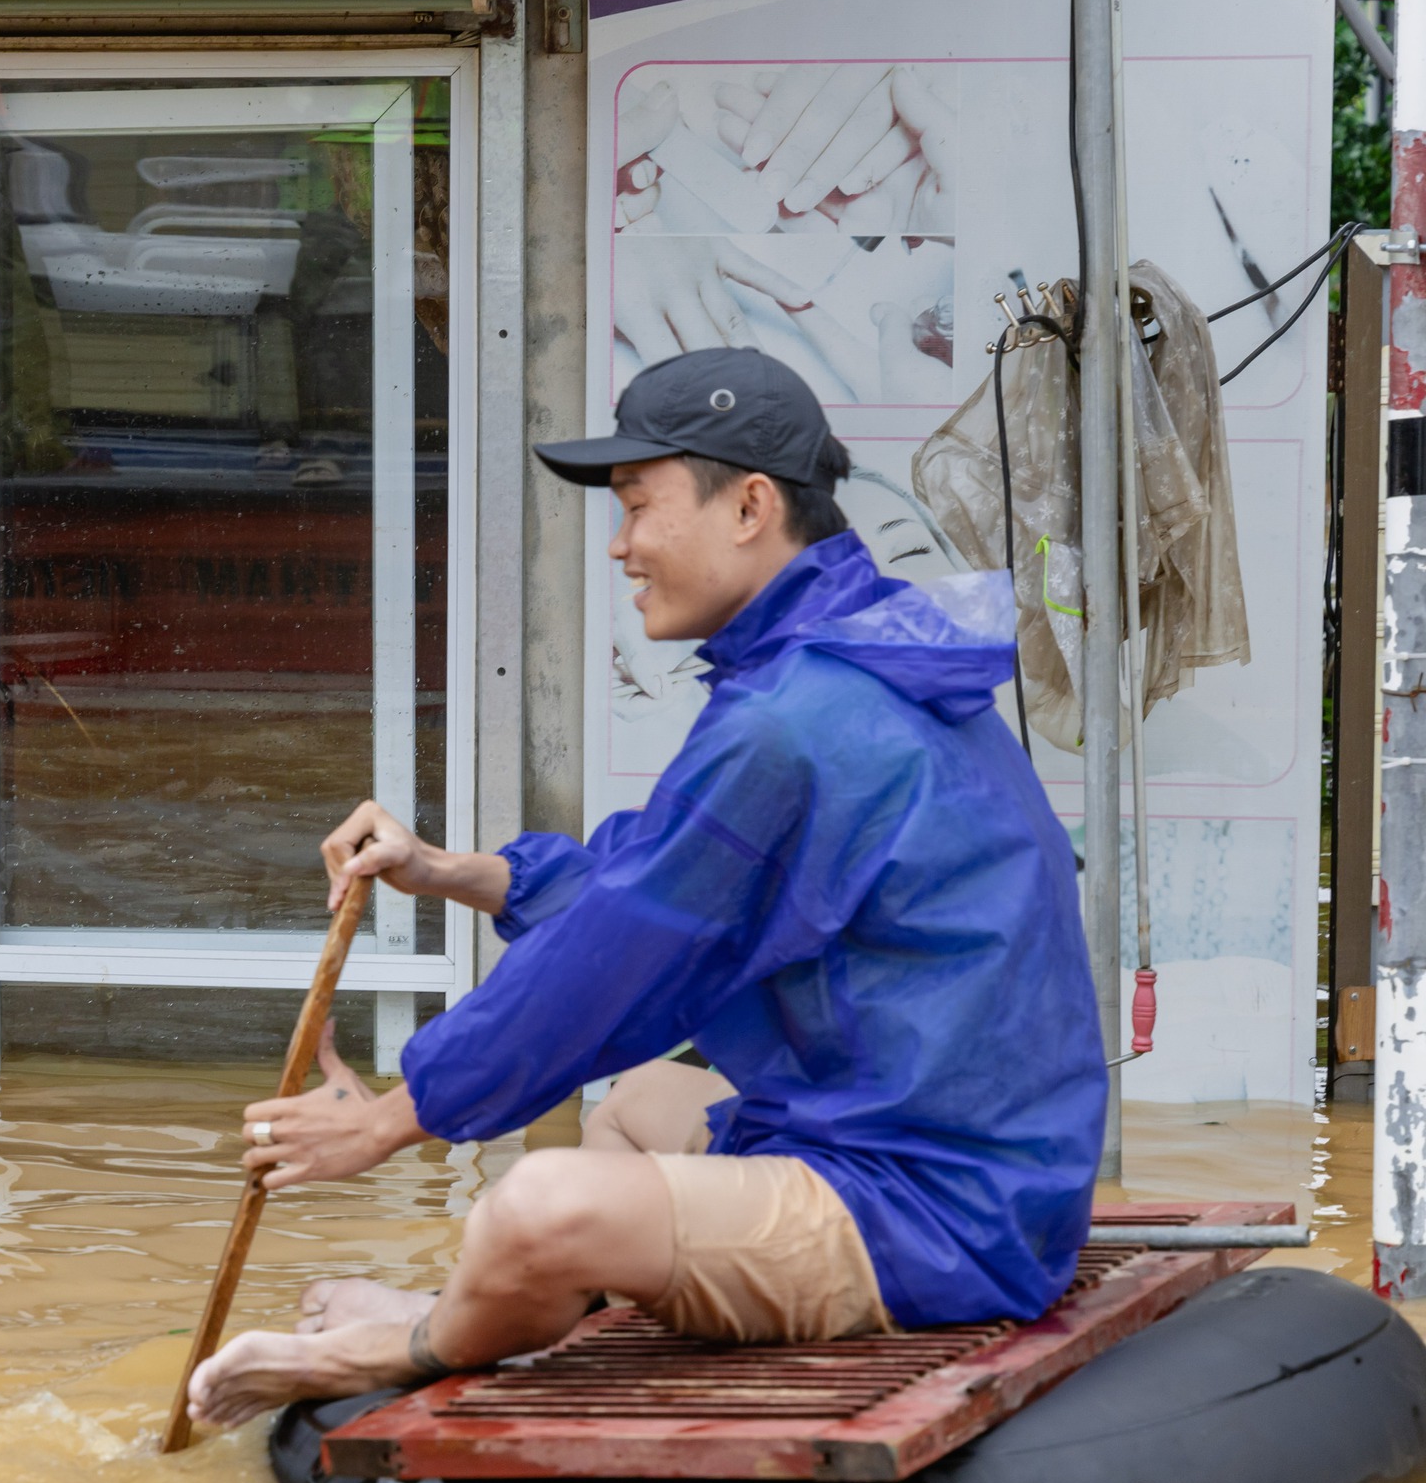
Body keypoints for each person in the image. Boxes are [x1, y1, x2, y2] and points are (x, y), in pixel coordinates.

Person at [188, 348, 1105, 1428]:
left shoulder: (797, 721)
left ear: (751, 505)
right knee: (633, 1109)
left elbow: (623, 955)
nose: (621, 546)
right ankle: (497, 1311)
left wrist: (390, 1122)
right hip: (933, 1158)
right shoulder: (850, 664)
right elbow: (662, 883)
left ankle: (404, 1342)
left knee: (538, 1207)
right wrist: (443, 873)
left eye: (637, 506)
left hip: (936, 1215)